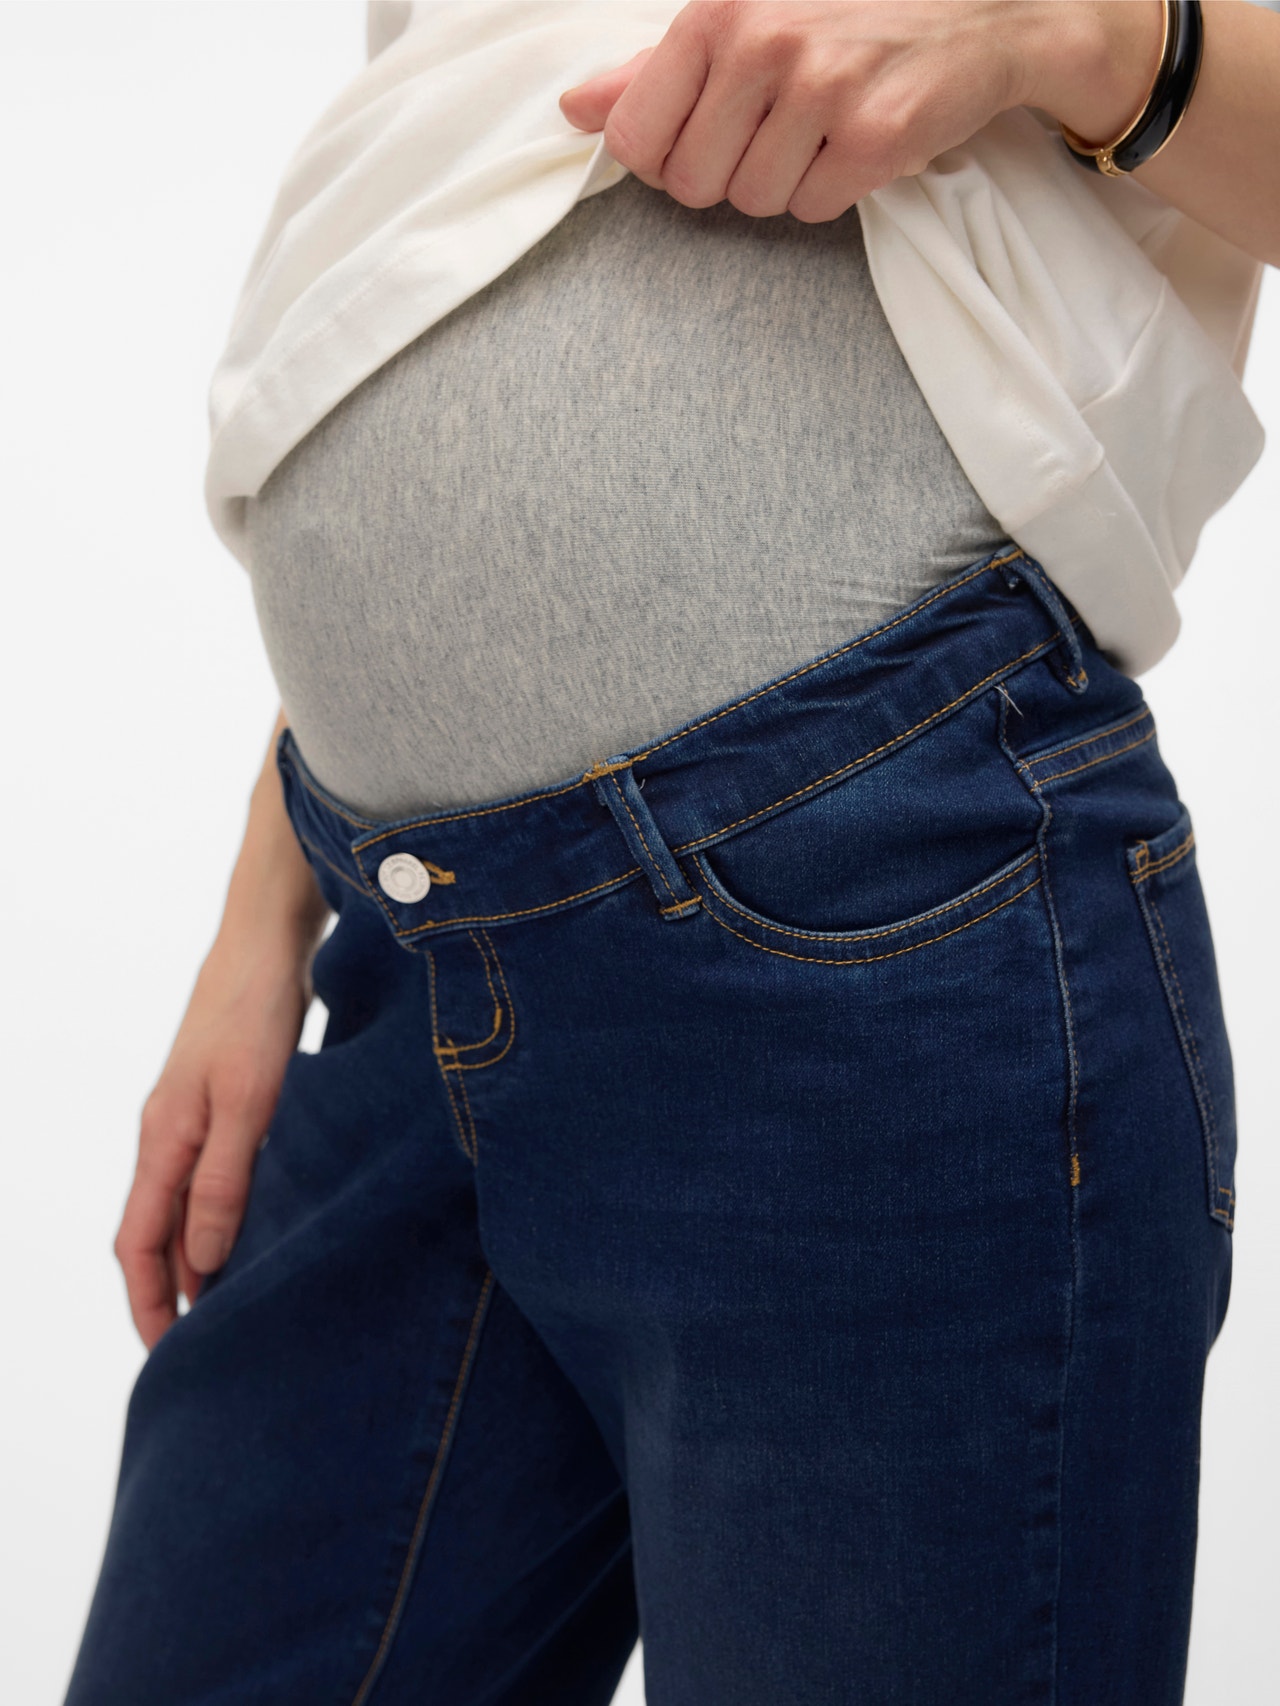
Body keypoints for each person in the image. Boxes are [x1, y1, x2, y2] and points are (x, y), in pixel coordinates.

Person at [65, 4, 1275, 1703]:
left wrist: (1072, 29)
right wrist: (260, 913)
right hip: (406, 946)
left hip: (873, 921)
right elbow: (439, 266)